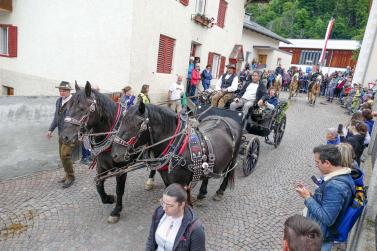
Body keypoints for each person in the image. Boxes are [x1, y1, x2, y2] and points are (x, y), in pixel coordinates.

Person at [295, 145, 355, 251]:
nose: (316, 165)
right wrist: (310, 195)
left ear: (327, 163)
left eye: (317, 162)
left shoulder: (335, 186)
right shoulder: (340, 177)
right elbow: (325, 204)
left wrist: (308, 198)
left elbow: (327, 218)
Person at [146, 183, 205, 251]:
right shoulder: (158, 212)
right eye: (163, 202)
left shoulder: (195, 229)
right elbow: (151, 240)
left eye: (169, 205)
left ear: (182, 204)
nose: (164, 208)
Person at [47, 81, 76, 189]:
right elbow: (56, 117)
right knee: (62, 156)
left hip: (70, 134)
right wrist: (50, 129)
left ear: (69, 91)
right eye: (60, 90)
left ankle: (71, 177)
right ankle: (67, 174)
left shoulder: (74, 102)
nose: (61, 92)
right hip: (61, 133)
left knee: (65, 155)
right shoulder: (59, 101)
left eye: (64, 90)